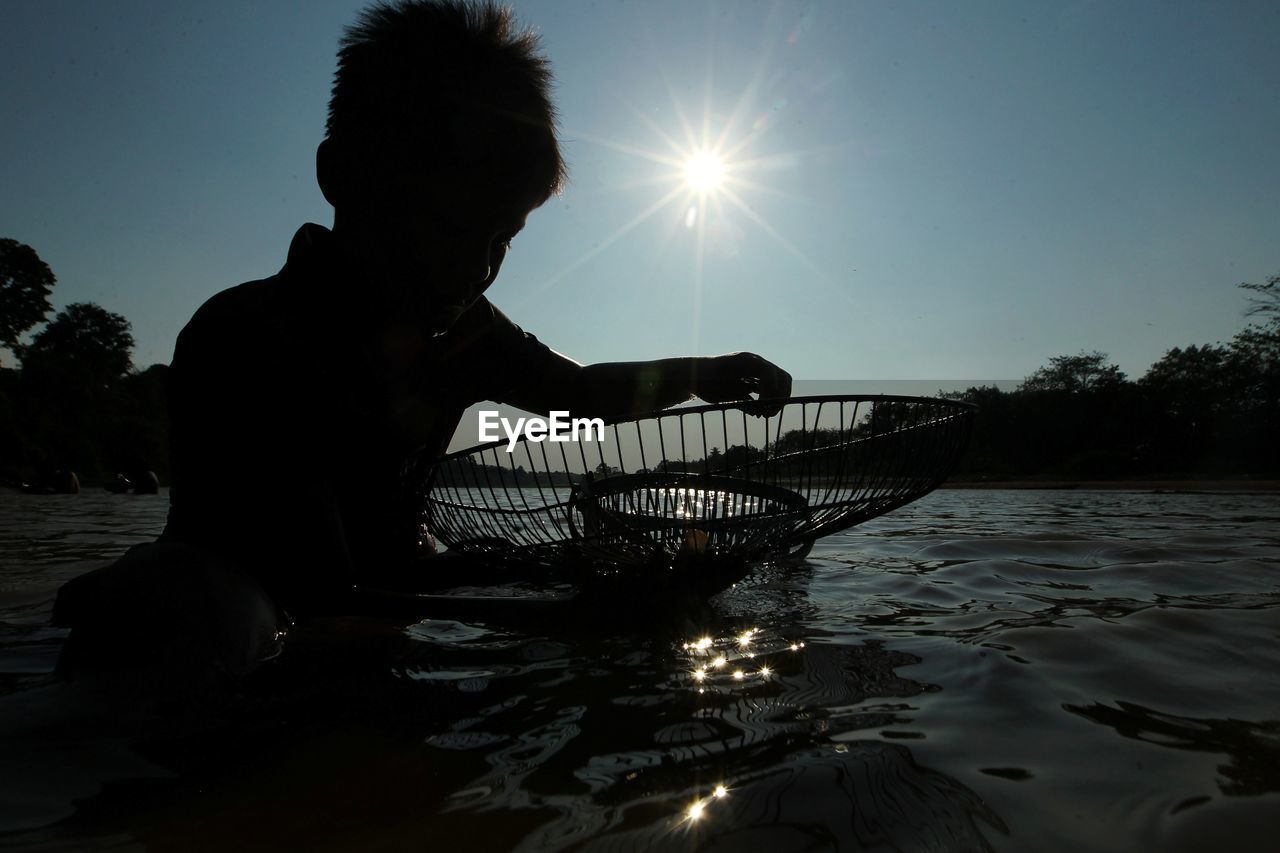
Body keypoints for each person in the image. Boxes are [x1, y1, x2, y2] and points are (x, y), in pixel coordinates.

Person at [54, 1, 789, 678]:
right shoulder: (248, 340)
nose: (477, 267)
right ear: (343, 177)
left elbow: (579, 392)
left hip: (382, 580)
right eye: (450, 227)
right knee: (207, 606)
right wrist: (555, 594)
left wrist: (700, 371)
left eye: (503, 238)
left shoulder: (463, 332)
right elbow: (325, 581)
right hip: (264, 596)